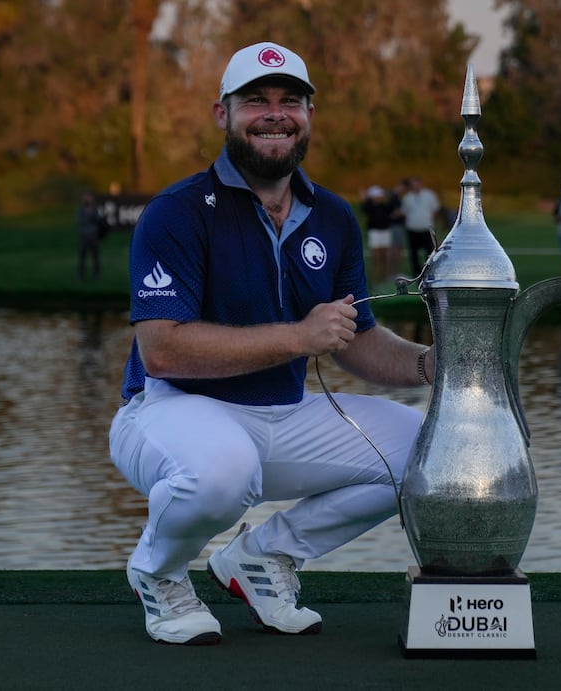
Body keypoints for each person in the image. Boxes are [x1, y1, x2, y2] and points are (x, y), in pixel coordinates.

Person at [110, 41, 430, 645]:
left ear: (310, 115)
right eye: (255, 101)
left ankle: (262, 557)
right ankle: (158, 571)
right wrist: (299, 336)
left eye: (291, 101)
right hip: (170, 407)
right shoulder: (177, 211)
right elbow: (164, 350)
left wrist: (437, 364)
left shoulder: (332, 216)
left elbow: (354, 339)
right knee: (224, 471)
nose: (275, 113)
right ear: (221, 114)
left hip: (282, 415)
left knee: (427, 452)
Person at [400, 175, 441, 277]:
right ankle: (416, 274)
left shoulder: (429, 195)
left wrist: (433, 225)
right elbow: (405, 213)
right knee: (413, 254)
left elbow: (435, 211)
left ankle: (429, 272)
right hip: (413, 229)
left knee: (430, 252)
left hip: (426, 229)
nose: (415, 186)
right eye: (413, 184)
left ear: (420, 184)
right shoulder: (407, 197)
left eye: (417, 183)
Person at [361, 186, 399, 280]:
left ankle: (385, 278)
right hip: (375, 233)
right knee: (376, 258)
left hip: (385, 232)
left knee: (386, 256)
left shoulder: (385, 206)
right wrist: (364, 199)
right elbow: (364, 209)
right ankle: (375, 279)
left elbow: (393, 207)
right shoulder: (369, 206)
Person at [77, 192, 109, 281]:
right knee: (82, 258)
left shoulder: (95, 210)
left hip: (93, 237)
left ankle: (96, 275)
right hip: (84, 237)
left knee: (95, 258)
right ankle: (81, 275)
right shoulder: (80, 211)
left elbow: (99, 221)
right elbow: (81, 221)